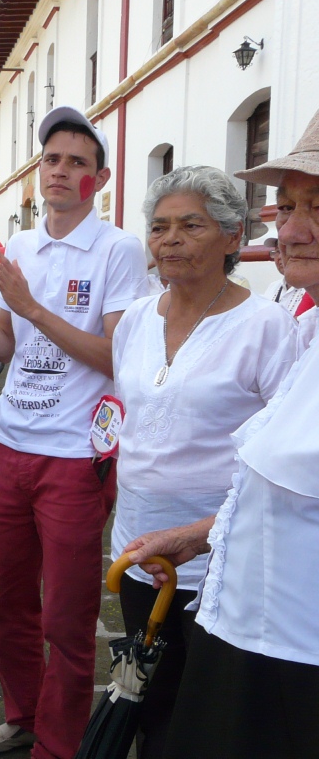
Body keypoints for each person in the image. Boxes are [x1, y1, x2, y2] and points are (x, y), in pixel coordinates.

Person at [0, 106, 147, 759]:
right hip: (12, 445)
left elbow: (114, 357)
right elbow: (9, 349)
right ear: (37, 173)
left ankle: (59, 744)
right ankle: (23, 717)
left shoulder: (118, 250)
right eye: (52, 159)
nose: (61, 170)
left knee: (69, 622)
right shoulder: (19, 248)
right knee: (8, 607)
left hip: (76, 459)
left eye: (78, 162)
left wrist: (27, 307)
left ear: (99, 179)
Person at [122, 107, 319, 759]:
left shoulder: (271, 325)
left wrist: (203, 534)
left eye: (315, 207)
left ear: (232, 237)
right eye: (286, 207)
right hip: (164, 562)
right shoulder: (138, 321)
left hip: (264, 617)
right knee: (152, 710)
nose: (289, 228)